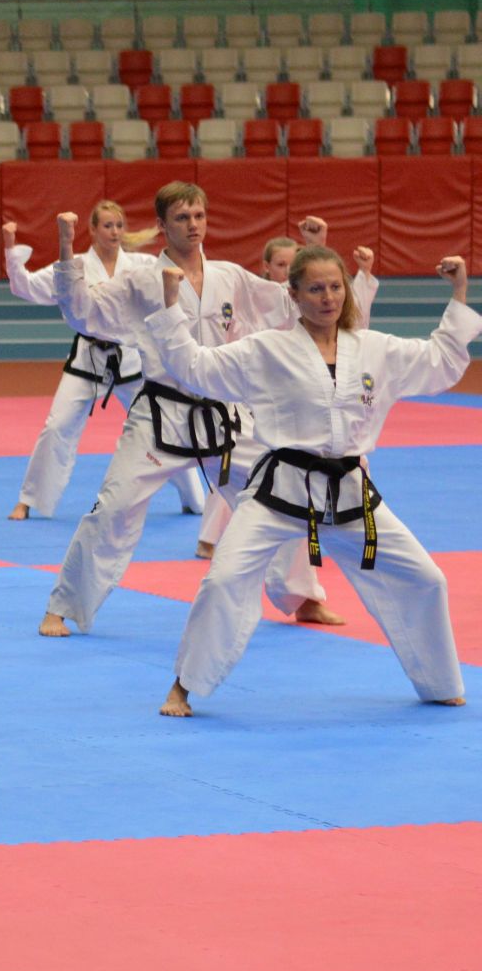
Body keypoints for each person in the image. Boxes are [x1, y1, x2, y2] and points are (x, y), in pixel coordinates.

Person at [147, 248, 474, 716]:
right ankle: (185, 684)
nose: (328, 298)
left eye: (336, 287)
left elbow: (440, 362)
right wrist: (170, 304)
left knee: (426, 578)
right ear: (293, 294)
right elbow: (195, 368)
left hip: (348, 493)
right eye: (316, 289)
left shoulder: (374, 348)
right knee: (223, 579)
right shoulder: (267, 349)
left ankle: (438, 681)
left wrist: (459, 292)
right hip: (281, 491)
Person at [38, 185, 347, 637]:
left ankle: (303, 598)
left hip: (225, 415)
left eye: (199, 216)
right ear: (162, 225)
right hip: (161, 415)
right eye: (182, 218)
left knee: (281, 495)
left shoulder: (230, 277)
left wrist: (314, 248)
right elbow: (83, 312)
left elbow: (287, 303)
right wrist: (66, 247)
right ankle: (63, 607)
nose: (193, 225)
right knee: (113, 509)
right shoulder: (141, 280)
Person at [3, 204, 210, 521]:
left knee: (165, 424)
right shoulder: (76, 266)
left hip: (132, 359)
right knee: (57, 426)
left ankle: (194, 499)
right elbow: (27, 286)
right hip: (88, 359)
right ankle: (29, 500)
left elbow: (178, 272)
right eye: (108, 226)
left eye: (119, 226)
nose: (115, 232)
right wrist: (10, 250)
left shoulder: (140, 265)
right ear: (93, 230)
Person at [193, 238, 380, 560]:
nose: (286, 269)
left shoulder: (313, 305)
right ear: (266, 267)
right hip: (259, 400)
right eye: (281, 265)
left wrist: (326, 250)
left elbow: (351, 324)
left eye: (292, 264)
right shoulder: (255, 301)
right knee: (237, 470)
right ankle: (210, 538)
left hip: (309, 402)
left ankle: (341, 534)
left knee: (349, 462)